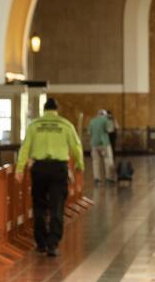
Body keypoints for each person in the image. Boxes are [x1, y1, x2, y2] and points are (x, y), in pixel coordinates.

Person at [18, 97, 85, 256]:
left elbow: (25, 147)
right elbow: (76, 146)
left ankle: (41, 242)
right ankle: (53, 244)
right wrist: (79, 165)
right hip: (58, 169)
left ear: (44, 109)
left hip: (39, 168)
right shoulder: (65, 125)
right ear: (56, 110)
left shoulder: (34, 125)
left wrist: (19, 168)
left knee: (39, 205)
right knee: (57, 206)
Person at [89, 107, 117, 185]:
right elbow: (110, 130)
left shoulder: (92, 121)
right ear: (105, 115)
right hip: (104, 143)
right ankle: (108, 178)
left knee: (95, 161)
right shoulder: (106, 120)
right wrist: (110, 121)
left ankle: (97, 178)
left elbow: (89, 132)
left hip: (94, 144)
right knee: (107, 160)